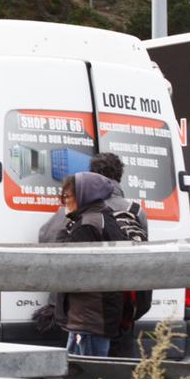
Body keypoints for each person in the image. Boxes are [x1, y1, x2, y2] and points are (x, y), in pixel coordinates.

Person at [52, 172, 127, 358]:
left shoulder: (85, 226)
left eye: (68, 197)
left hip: (88, 318)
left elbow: (72, 271)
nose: (64, 202)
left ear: (85, 195)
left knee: (88, 377)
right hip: (97, 314)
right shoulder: (104, 218)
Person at [88, 153, 149, 358]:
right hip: (126, 302)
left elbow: (48, 233)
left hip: (92, 305)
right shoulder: (136, 210)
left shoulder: (84, 208)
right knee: (123, 369)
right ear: (120, 176)